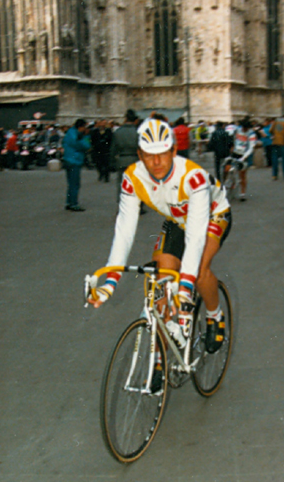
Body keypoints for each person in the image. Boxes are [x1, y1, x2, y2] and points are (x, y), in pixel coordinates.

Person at [87, 118, 232, 391]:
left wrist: (186, 287)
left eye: (163, 153)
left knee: (198, 270)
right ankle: (160, 360)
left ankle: (214, 315)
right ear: (140, 155)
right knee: (162, 281)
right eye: (149, 155)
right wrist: (110, 280)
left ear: (174, 151)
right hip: (178, 221)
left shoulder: (194, 177)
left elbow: (196, 237)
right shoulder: (132, 177)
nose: (156, 162)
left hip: (212, 215)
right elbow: (125, 231)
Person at [223, 117, 256, 200]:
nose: (244, 129)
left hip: (244, 155)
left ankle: (242, 193)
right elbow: (230, 134)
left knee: (242, 175)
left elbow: (251, 148)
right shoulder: (237, 130)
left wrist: (244, 157)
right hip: (234, 153)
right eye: (243, 127)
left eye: (246, 128)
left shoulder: (251, 134)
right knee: (226, 169)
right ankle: (227, 183)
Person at [62, 118, 91, 211]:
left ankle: (69, 201)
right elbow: (85, 146)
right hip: (75, 160)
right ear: (81, 127)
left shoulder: (69, 133)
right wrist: (86, 137)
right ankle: (74, 203)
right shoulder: (78, 136)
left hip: (67, 159)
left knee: (70, 183)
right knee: (75, 184)